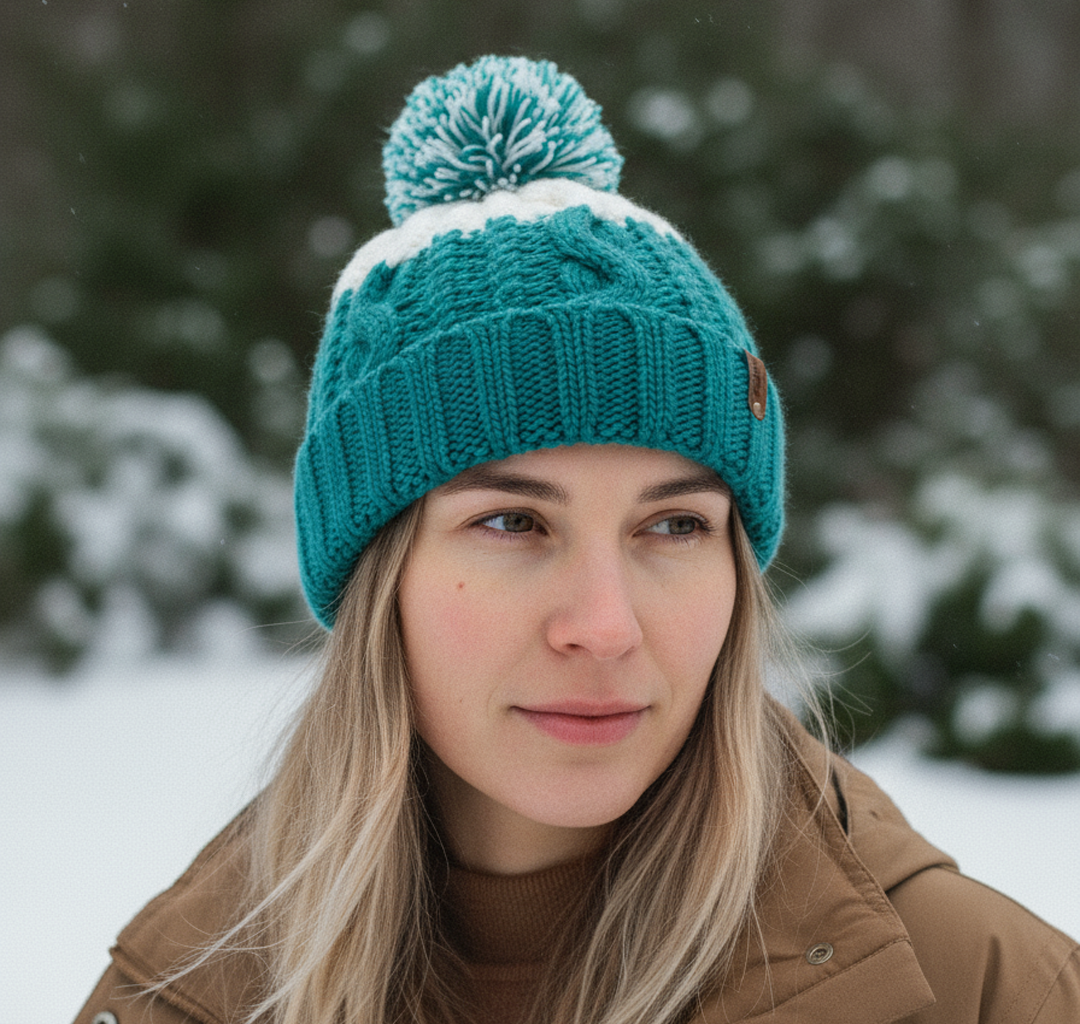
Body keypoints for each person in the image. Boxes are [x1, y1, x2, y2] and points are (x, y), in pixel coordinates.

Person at [75, 56, 1078, 1024]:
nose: (603, 627)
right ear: (381, 576)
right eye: (513, 522)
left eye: (675, 524)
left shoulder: (980, 993)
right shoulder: (194, 997)